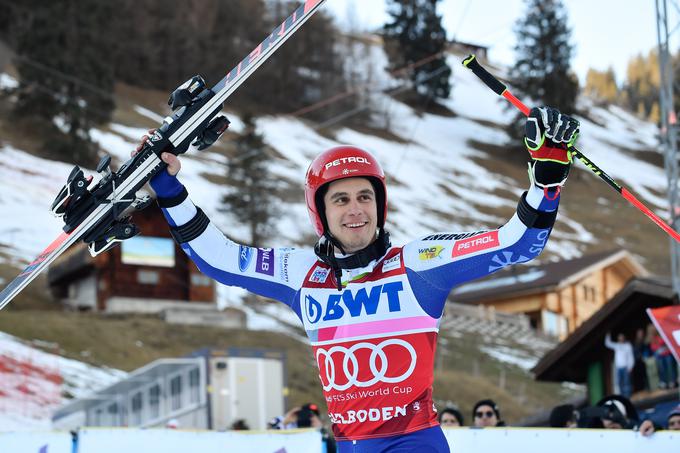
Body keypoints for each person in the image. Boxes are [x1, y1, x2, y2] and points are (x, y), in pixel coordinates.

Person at [141, 104, 579, 453]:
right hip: (349, 445)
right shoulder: (301, 274)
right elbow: (220, 260)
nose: (356, 210)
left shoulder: (419, 263)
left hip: (415, 441)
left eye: (366, 197)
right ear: (321, 213)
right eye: (342, 199)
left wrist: (546, 182)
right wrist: (169, 191)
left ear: (380, 206)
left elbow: (516, 243)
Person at [604, 332, 634, 397]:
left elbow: (630, 357)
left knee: (627, 383)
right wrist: (608, 334)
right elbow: (607, 343)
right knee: (620, 383)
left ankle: (628, 396)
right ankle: (622, 396)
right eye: (619, 338)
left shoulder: (627, 346)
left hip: (625, 367)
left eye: (622, 337)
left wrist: (630, 366)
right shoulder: (617, 345)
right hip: (618, 367)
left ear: (624, 338)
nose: (620, 339)